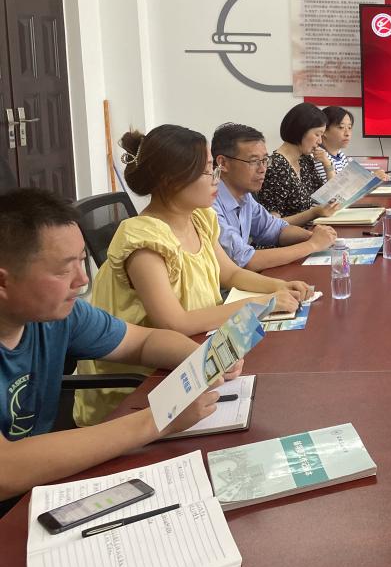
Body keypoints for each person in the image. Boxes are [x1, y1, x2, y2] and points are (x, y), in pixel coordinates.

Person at [0, 189, 238, 511]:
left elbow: (142, 342)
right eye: (63, 270)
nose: (82, 280)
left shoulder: (63, 316)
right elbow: (6, 470)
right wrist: (158, 420)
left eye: (82, 260)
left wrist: (202, 358)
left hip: (41, 486)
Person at [74, 125, 307, 426]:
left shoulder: (199, 218)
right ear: (171, 180)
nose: (216, 179)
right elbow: (175, 322)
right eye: (208, 171)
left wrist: (279, 286)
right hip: (144, 387)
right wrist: (262, 303)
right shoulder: (144, 240)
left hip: (195, 354)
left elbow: (230, 273)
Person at [212, 122, 337, 271]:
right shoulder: (209, 204)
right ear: (223, 163)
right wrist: (313, 245)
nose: (262, 169)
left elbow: (276, 229)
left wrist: (314, 236)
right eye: (254, 161)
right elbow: (245, 260)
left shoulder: (245, 196)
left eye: (265, 160)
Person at [256, 102, 336, 222]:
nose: (320, 141)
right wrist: (313, 213)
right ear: (300, 130)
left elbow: (329, 197)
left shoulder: (304, 160)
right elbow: (272, 224)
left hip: (310, 229)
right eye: (317, 134)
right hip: (290, 234)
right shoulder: (275, 167)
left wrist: (328, 165)